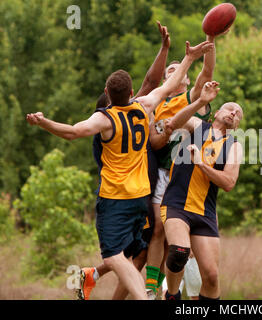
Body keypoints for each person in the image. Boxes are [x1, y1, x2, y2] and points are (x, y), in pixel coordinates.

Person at [26, 40, 214, 300]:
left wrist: (43, 122)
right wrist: (189, 58)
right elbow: (169, 85)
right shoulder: (143, 107)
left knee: (115, 256)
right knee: (130, 256)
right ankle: (133, 288)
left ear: (106, 91)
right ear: (131, 92)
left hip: (115, 199)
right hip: (140, 198)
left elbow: (72, 132)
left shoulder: (105, 118)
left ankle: (143, 295)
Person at [76, 20, 170, 301]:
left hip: (140, 187)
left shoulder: (125, 114)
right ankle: (142, 290)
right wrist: (167, 50)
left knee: (136, 254)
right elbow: (151, 83)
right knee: (141, 252)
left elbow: (153, 84)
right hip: (131, 192)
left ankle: (93, 274)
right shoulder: (115, 120)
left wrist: (167, 51)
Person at [145, 32, 219, 299]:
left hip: (189, 179)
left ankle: (176, 291)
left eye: (178, 70)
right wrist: (166, 130)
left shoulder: (191, 97)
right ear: (167, 79)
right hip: (164, 172)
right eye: (169, 71)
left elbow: (208, 69)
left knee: (178, 246)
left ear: (187, 78)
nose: (173, 73)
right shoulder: (156, 104)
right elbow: (153, 143)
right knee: (157, 230)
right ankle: (152, 287)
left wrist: (211, 37)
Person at [161, 101, 244, 300]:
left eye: (238, 113)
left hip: (205, 213)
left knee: (212, 276)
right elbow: (172, 123)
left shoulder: (234, 145)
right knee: (180, 252)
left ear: (238, 124)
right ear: (216, 113)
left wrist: (201, 163)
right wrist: (199, 101)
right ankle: (172, 295)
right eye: (230, 108)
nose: (233, 112)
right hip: (176, 205)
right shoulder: (197, 125)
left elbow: (229, 182)